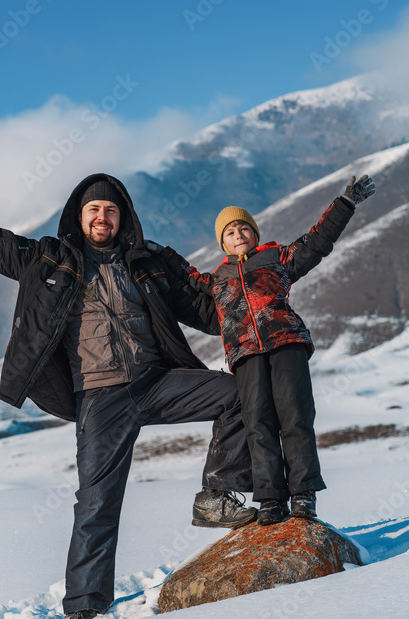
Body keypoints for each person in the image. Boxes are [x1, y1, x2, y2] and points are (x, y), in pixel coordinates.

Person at [0, 172, 255, 619]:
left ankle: (216, 495)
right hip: (100, 395)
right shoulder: (49, 259)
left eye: (111, 210)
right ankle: (85, 607)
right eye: (94, 210)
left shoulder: (146, 262)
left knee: (236, 393)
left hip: (156, 380)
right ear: (80, 215)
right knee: (96, 501)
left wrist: (251, 278)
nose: (102, 217)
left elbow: (209, 313)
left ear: (122, 216)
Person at [158, 175, 376, 525]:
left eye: (244, 228)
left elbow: (317, 240)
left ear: (254, 234)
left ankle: (304, 495)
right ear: (222, 243)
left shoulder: (277, 259)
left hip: (286, 343)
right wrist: (152, 249)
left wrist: (345, 203)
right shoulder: (216, 281)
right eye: (230, 232)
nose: (238, 235)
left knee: (295, 416)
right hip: (245, 355)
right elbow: (181, 273)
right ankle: (271, 498)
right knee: (258, 423)